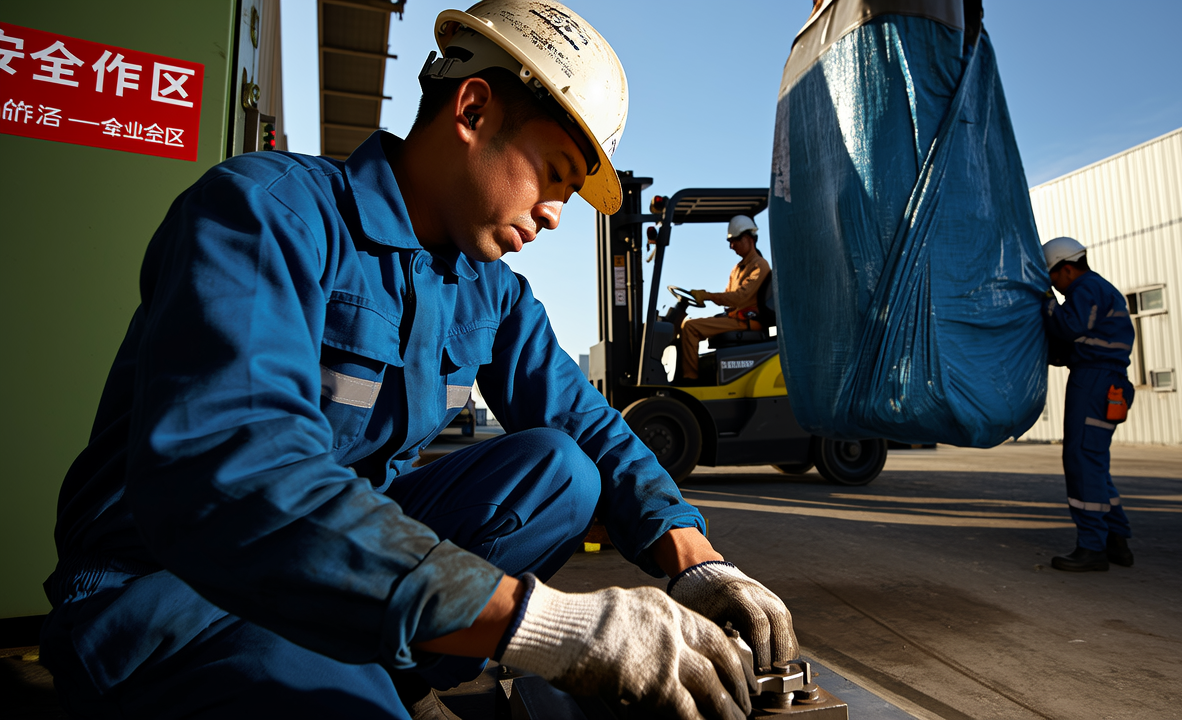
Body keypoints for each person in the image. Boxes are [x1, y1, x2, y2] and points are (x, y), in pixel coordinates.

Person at [39, 3, 796, 719]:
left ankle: (391, 671)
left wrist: (696, 560)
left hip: (344, 582)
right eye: (553, 174)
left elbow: (588, 423)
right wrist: (545, 624)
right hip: (175, 595)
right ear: (472, 111)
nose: (554, 215)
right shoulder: (267, 214)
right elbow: (239, 470)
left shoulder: (488, 292)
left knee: (562, 468)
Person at [1041, 236, 1137, 572]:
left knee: (1081, 460)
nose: (1055, 286)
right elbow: (1071, 343)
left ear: (1066, 269)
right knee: (1094, 462)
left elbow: (1069, 326)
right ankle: (1116, 541)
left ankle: (1092, 546)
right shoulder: (1099, 290)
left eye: (1053, 278)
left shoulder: (1087, 289)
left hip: (1095, 380)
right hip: (1106, 381)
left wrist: (1044, 300)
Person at [678, 215, 772, 382]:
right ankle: (687, 375)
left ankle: (690, 380)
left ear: (748, 238)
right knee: (684, 324)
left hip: (746, 322)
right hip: (733, 318)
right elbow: (729, 297)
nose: (731, 246)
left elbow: (739, 297)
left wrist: (707, 295)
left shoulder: (759, 266)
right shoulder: (737, 269)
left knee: (691, 327)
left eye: (734, 240)